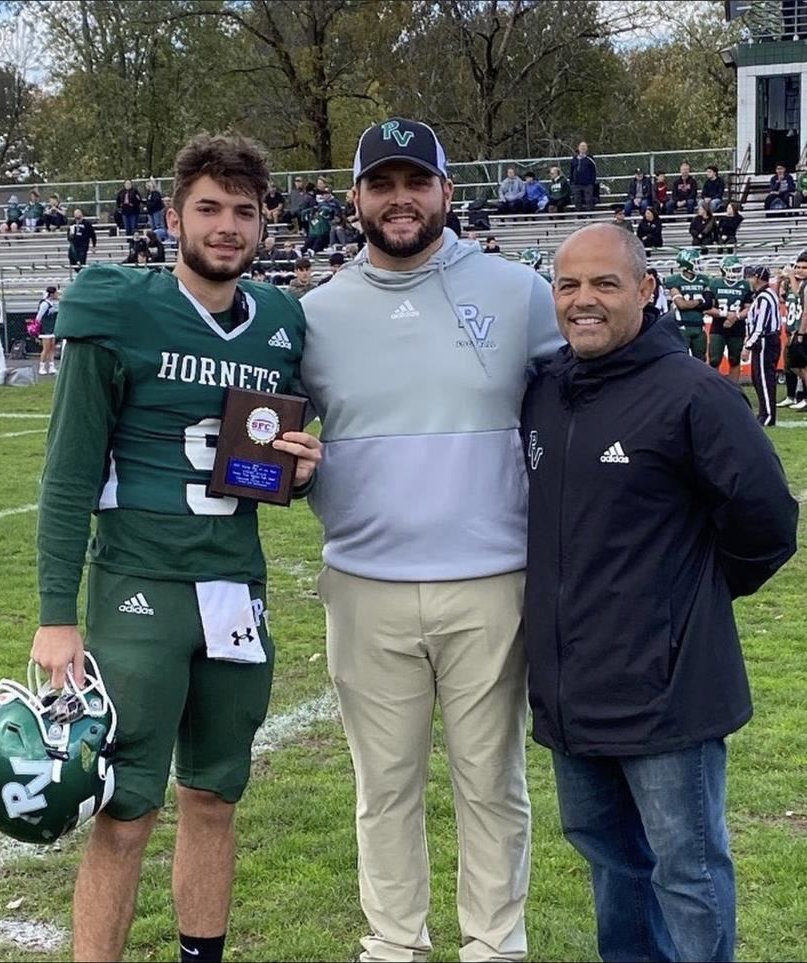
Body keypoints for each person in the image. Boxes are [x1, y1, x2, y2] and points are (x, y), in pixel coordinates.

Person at [29, 131, 321, 963]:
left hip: (236, 586)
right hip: (139, 587)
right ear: (173, 216)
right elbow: (68, 474)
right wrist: (58, 615)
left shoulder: (280, 321)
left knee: (216, 798)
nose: (227, 226)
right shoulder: (119, 304)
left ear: (266, 223)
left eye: (243, 210)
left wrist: (299, 472)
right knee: (126, 809)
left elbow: (265, 468)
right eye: (209, 208)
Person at [299, 117, 562, 963]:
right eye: (383, 183)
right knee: (384, 788)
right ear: (356, 200)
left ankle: (494, 944)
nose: (400, 198)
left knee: (492, 782)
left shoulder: (519, 291)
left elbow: (588, 397)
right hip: (364, 583)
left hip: (493, 582)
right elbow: (274, 439)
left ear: (449, 191)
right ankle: (393, 943)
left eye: (417, 182)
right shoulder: (314, 313)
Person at [521, 223, 798, 963]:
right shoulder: (545, 391)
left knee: (688, 871)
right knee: (612, 862)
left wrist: (690, 604)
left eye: (605, 284)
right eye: (569, 285)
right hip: (571, 687)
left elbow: (769, 521)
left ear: (645, 290)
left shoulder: (695, 394)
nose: (584, 300)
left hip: (668, 694)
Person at [745, 264, 783, 426]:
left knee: (763, 378)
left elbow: (760, 325)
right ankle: (764, 412)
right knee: (759, 377)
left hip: (765, 341)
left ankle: (767, 415)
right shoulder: (765, 295)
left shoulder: (764, 297)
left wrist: (748, 345)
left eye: (752, 276)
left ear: (758, 278)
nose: (749, 280)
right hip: (767, 340)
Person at [706, 255, 750, 384]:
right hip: (719, 326)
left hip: (738, 326)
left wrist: (736, 317)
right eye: (733, 269)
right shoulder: (715, 283)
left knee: (735, 359)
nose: (737, 272)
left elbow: (749, 307)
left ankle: (733, 388)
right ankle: (712, 386)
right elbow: (707, 308)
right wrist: (726, 314)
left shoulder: (745, 285)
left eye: (738, 269)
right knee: (714, 359)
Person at [665, 248, 711, 359]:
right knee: (681, 359)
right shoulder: (674, 280)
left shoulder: (703, 280)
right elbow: (682, 305)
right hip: (682, 326)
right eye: (695, 262)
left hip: (699, 325)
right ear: (686, 263)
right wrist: (699, 301)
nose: (698, 264)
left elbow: (709, 303)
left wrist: (692, 303)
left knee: (700, 360)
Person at [778, 252, 807, 409]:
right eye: (797, 267)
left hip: (801, 330)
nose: (799, 270)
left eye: (803, 267)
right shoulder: (797, 284)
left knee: (800, 365)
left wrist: (800, 332)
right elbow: (787, 296)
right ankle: (794, 395)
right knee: (792, 364)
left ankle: (803, 396)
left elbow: (805, 311)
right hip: (794, 328)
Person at [35, 285, 59, 375]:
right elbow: (38, 317)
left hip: (52, 328)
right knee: (46, 348)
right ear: (52, 294)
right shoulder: (44, 304)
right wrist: (38, 328)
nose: (57, 294)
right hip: (45, 329)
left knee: (52, 347)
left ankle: (51, 367)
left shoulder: (52, 303)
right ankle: (42, 367)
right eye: (56, 293)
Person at [569, 141, 597, 212]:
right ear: (578, 148)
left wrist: (592, 182)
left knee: (589, 200)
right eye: (581, 146)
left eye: (584, 146)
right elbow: (571, 171)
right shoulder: (574, 159)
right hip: (576, 184)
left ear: (587, 148)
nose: (583, 148)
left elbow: (594, 171)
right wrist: (572, 182)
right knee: (577, 200)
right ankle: (579, 215)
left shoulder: (590, 159)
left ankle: (589, 215)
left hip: (587, 184)